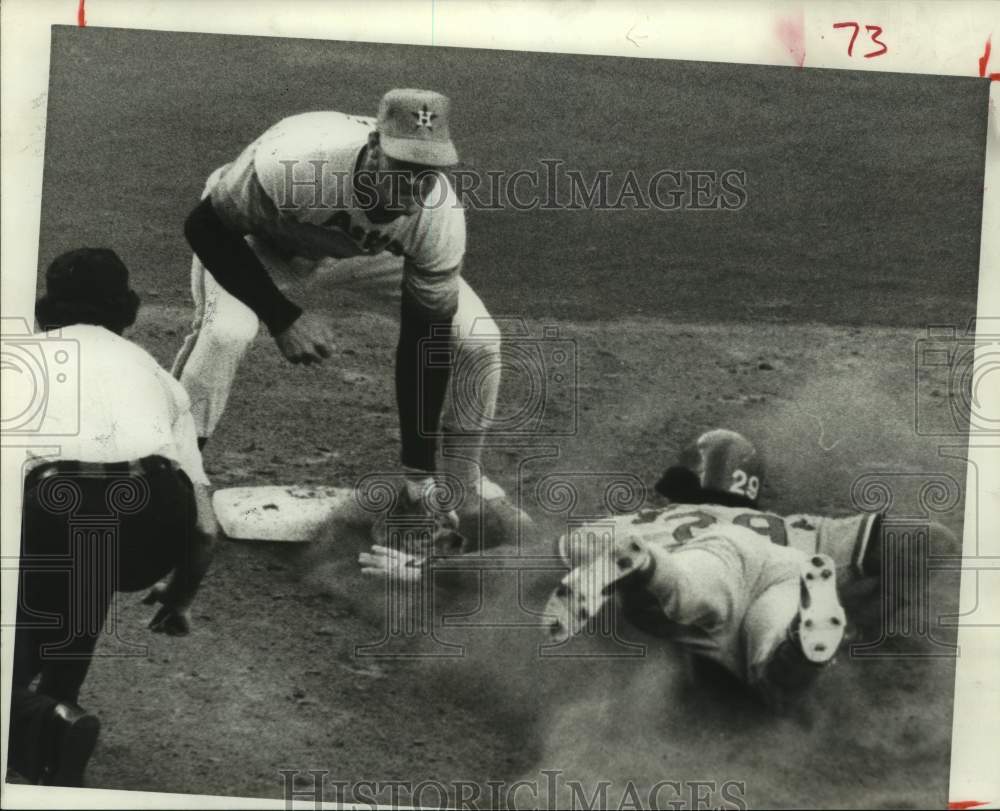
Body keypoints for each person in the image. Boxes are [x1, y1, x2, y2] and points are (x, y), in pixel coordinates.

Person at [170, 88, 520, 537]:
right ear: (374, 148)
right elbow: (205, 227)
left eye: (427, 173)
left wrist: (418, 472)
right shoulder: (295, 162)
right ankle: (175, 476)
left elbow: (423, 339)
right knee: (228, 332)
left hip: (366, 257)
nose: (414, 187)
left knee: (478, 339)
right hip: (262, 246)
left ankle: (462, 484)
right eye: (403, 169)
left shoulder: (437, 215)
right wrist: (282, 317)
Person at [7, 248, 217, 787]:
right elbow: (204, 524)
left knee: (55, 538)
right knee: (90, 550)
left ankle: (34, 716)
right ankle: (55, 721)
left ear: (46, 311)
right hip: (155, 513)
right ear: (127, 312)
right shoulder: (156, 375)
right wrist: (179, 598)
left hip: (58, 507)